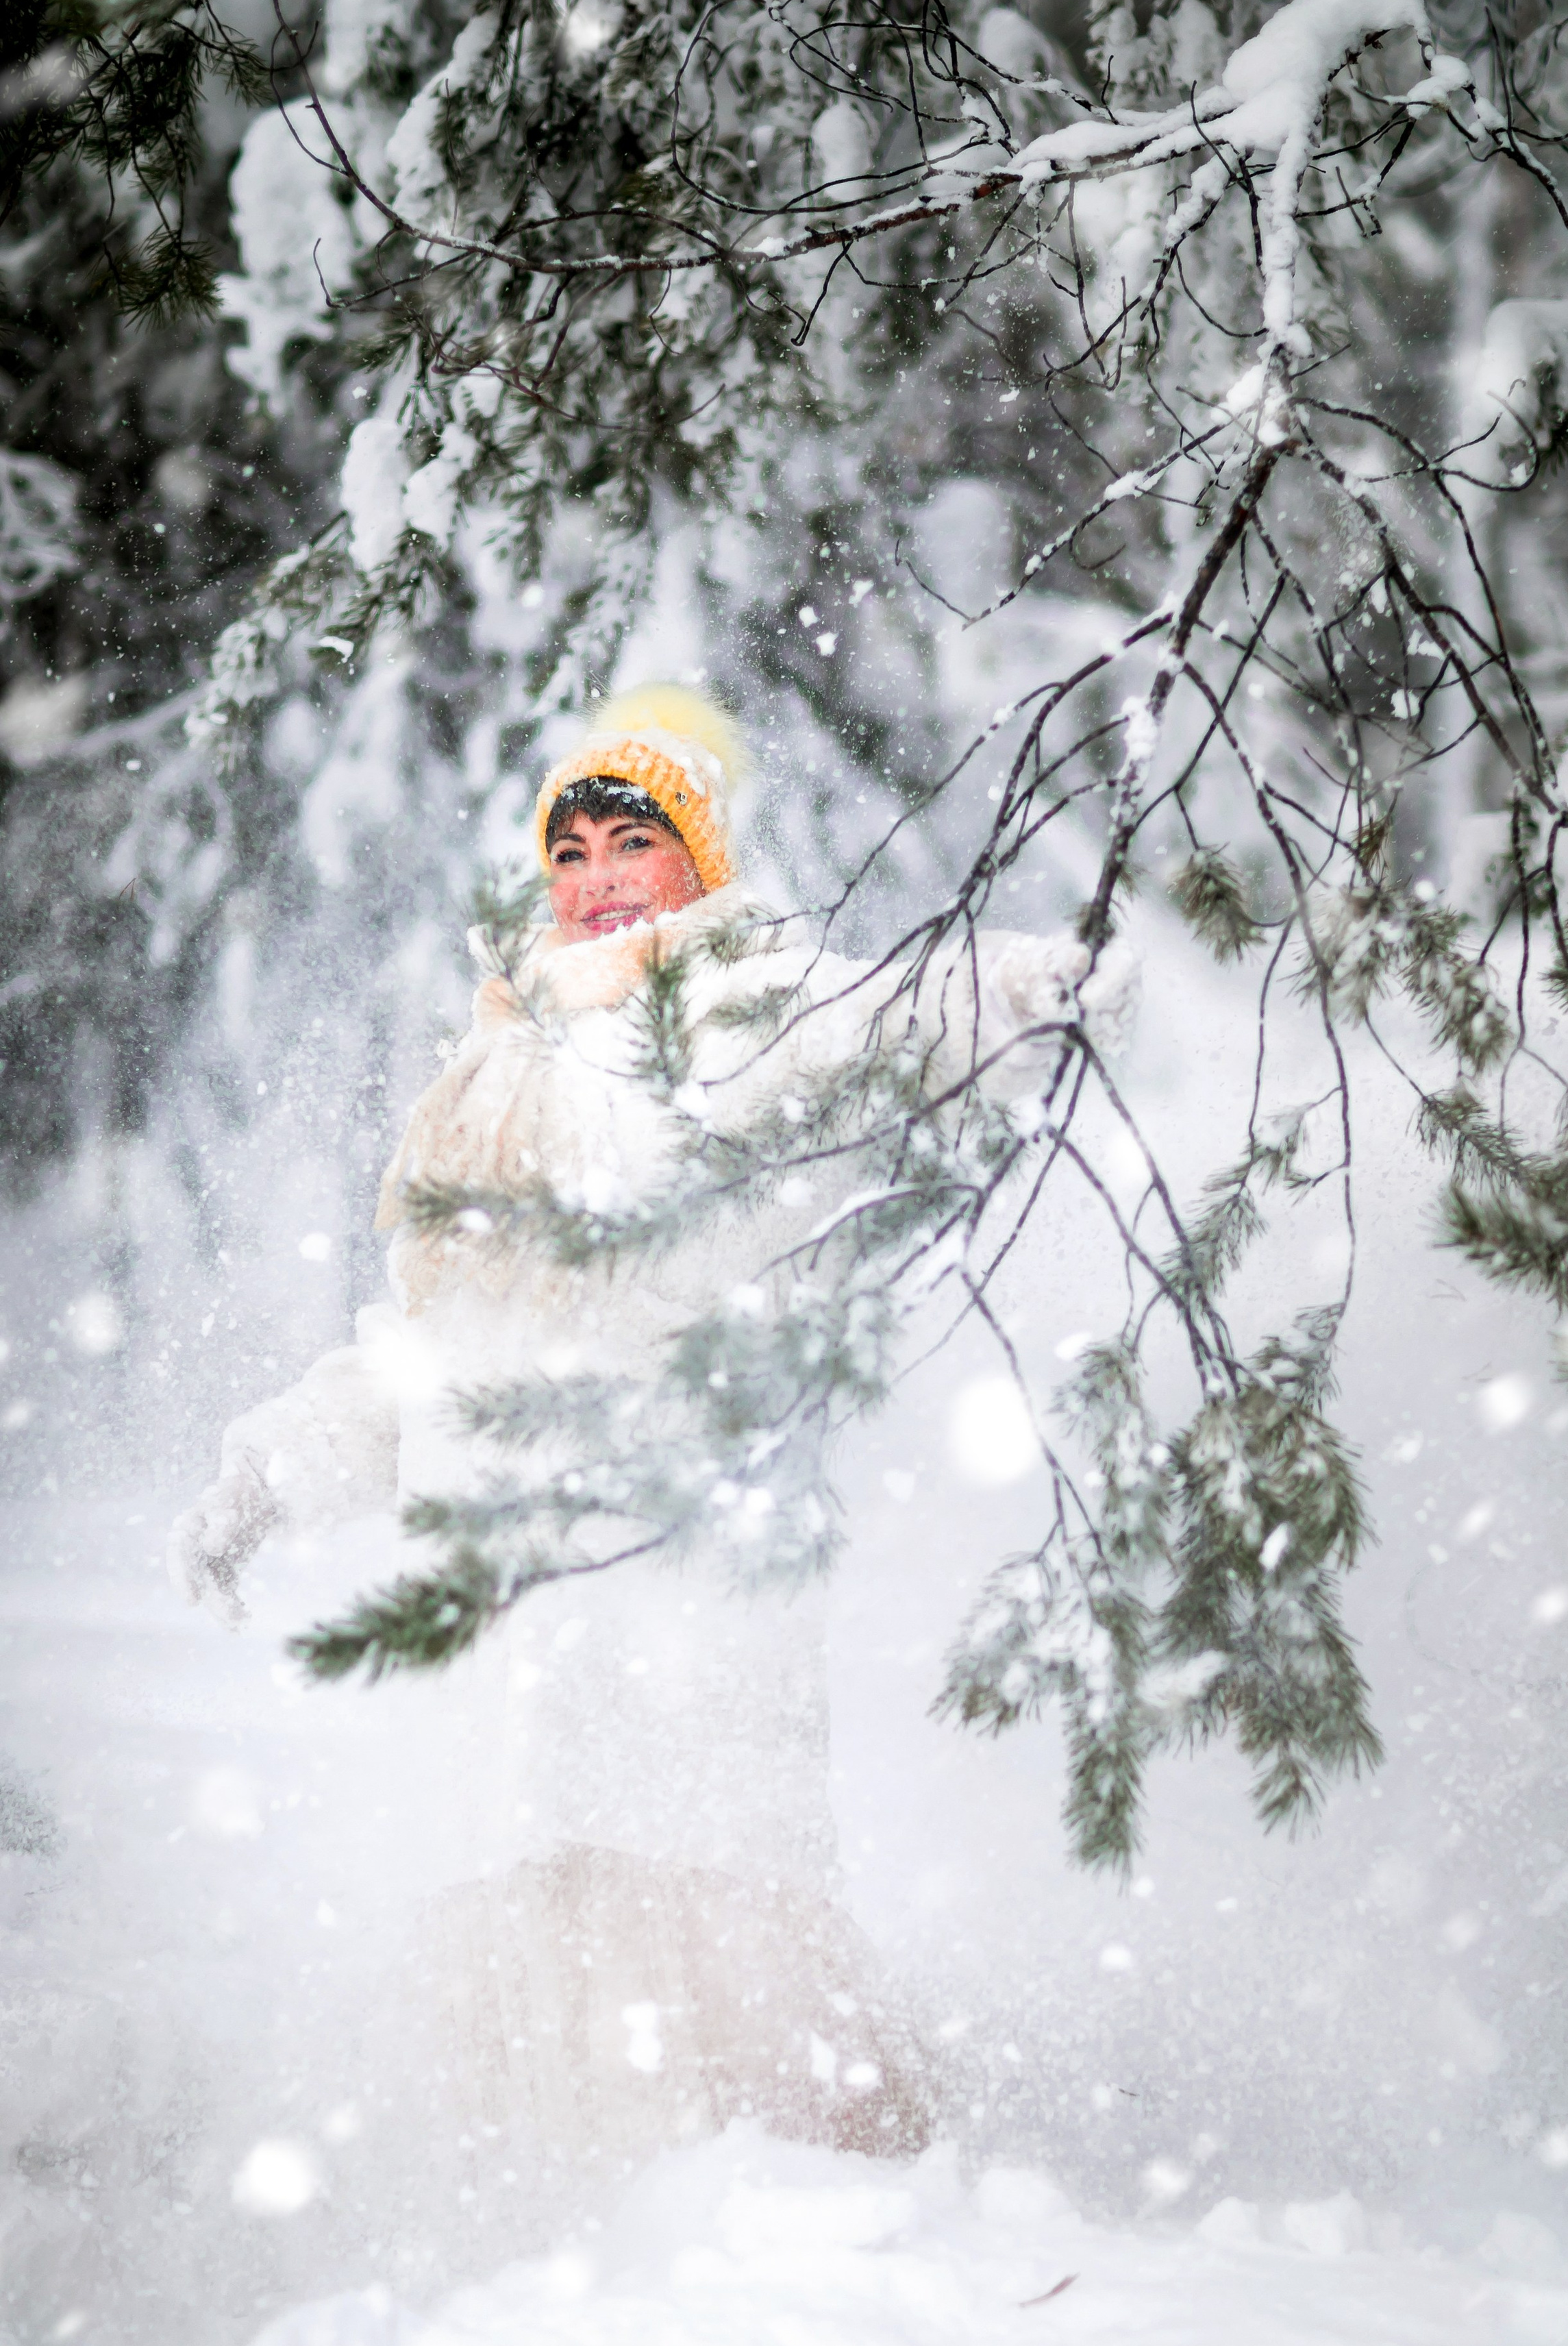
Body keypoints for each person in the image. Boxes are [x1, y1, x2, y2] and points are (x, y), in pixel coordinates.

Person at [171, 683, 1135, 2208]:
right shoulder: (492, 1065)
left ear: (701, 860)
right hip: (512, 1605)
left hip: (682, 1578)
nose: (600, 873)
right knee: (544, 1923)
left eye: (637, 839)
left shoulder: (743, 1006)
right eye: (573, 848)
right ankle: (566, 2240)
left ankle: (775, 2249)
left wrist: (1019, 980)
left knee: (717, 1930)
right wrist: (275, 1472)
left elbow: (886, 1010)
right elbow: (426, 1343)